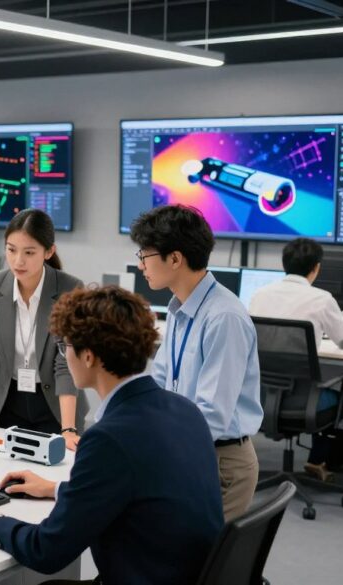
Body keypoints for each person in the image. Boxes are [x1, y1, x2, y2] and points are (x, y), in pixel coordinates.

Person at [0, 286, 224, 585]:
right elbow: (140, 489)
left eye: (65, 346)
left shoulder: (109, 438)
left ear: (89, 357)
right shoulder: (184, 409)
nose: (64, 355)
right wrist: (58, 489)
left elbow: (47, 550)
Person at [130, 204, 263, 522]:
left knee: (194, 553)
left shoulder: (223, 317)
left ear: (175, 259)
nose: (140, 265)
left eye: (145, 255)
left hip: (220, 462)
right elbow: (160, 384)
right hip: (188, 448)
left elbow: (212, 415)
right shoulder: (180, 308)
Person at [0, 209, 87, 449]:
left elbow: (66, 362)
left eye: (29, 252)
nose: (18, 261)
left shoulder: (70, 289)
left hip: (55, 406)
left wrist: (68, 429)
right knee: (1, 469)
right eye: (11, 250)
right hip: (6, 402)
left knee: (56, 468)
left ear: (49, 252)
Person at [248, 237, 343, 481]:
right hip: (303, 403)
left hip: (261, 400)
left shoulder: (259, 295)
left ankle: (316, 461)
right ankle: (317, 460)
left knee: (314, 388)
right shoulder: (322, 299)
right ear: (316, 267)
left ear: (284, 264)